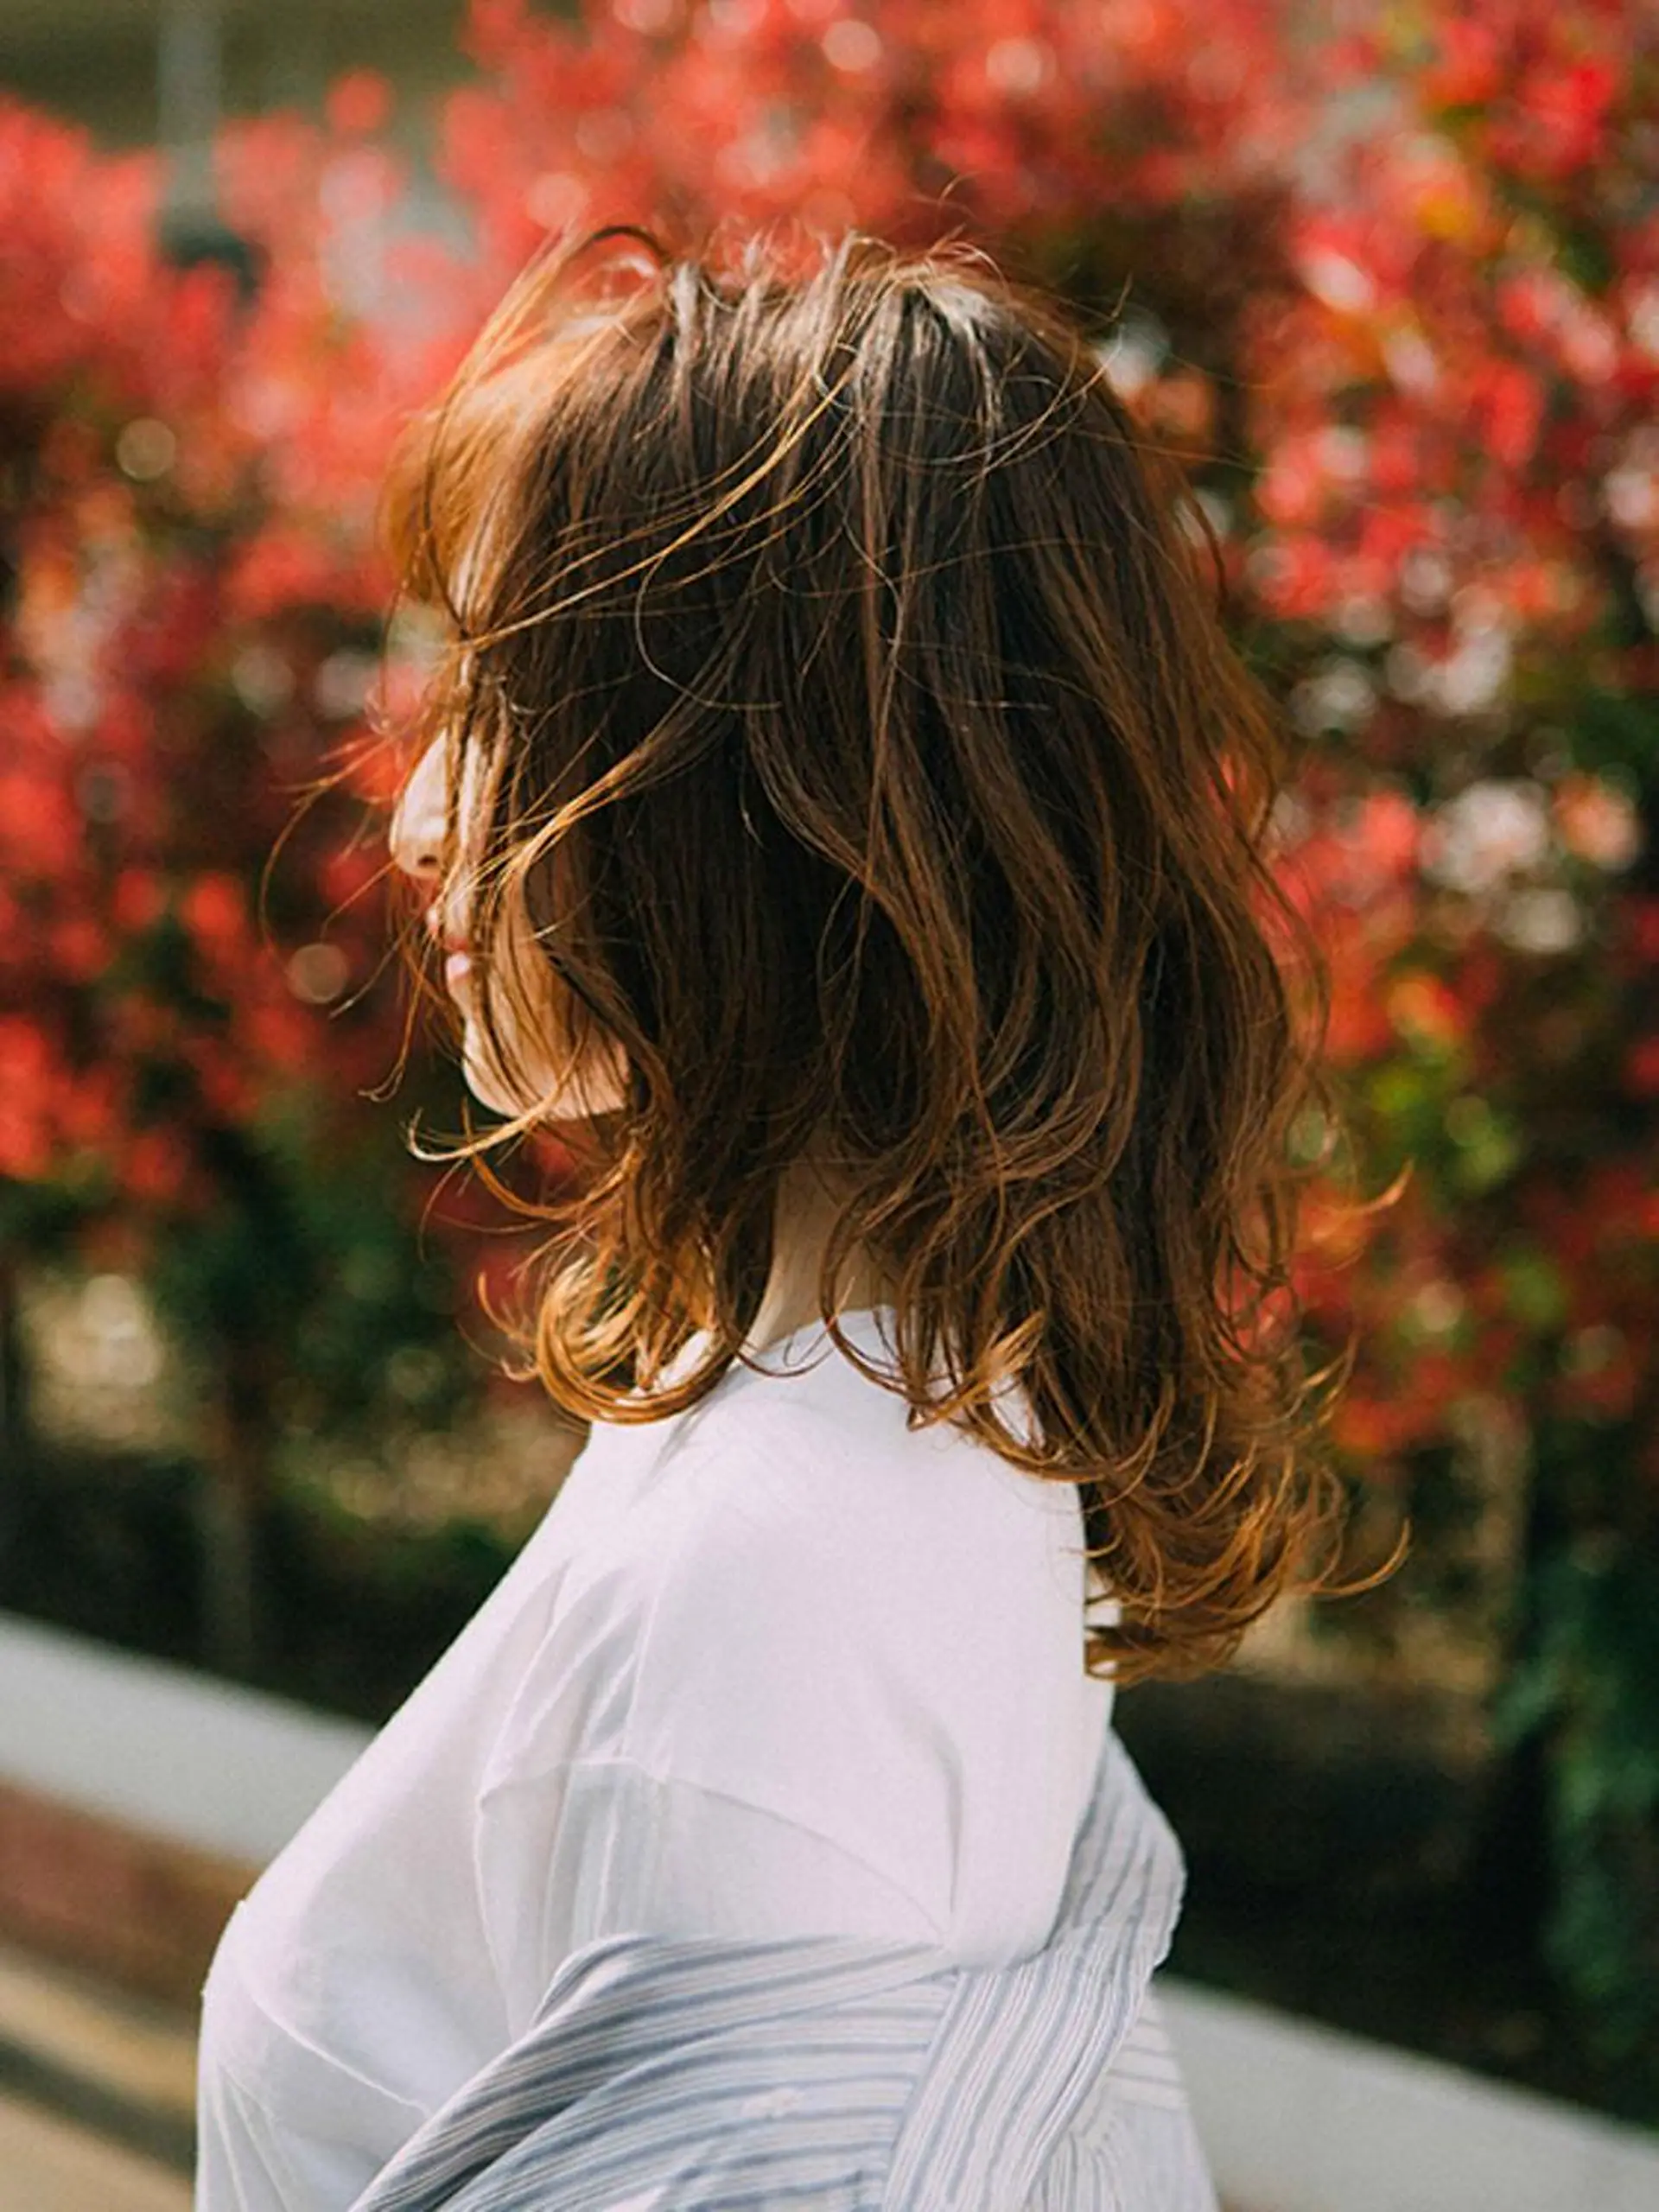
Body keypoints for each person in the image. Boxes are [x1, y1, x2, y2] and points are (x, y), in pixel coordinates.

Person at [194, 222, 1360, 2209]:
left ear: (761, 791)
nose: (412, 816)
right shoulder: (946, 1434)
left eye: (502, 702)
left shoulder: (759, 1584)